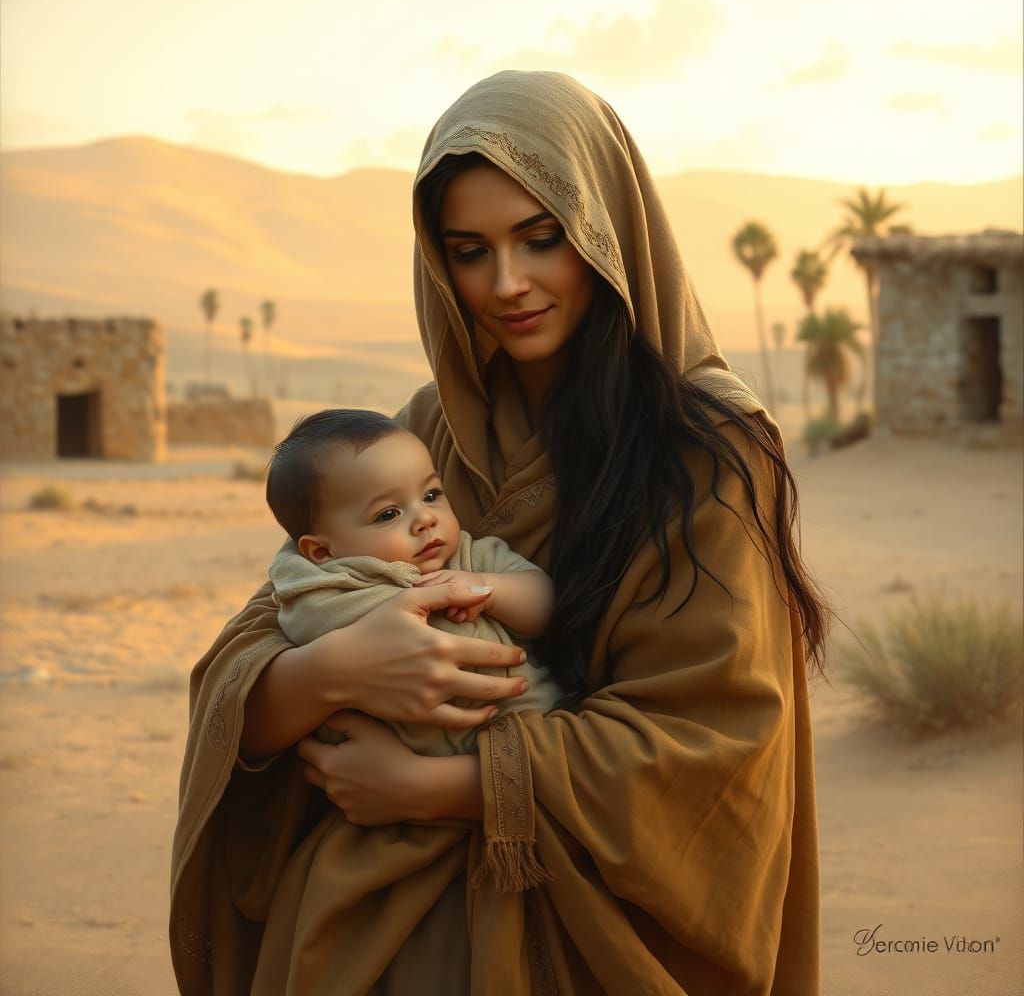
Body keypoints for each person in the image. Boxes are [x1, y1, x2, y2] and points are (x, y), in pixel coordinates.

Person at [171, 69, 829, 995]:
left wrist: (436, 787)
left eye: (541, 239)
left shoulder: (705, 452)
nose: (507, 284)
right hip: (374, 917)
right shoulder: (428, 431)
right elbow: (259, 645)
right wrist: (338, 672)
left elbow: (710, 743)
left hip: (588, 926)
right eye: (470, 250)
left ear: (606, 232)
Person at [264, 407, 561, 755]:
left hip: (528, 726)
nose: (424, 519)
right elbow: (309, 635)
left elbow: (544, 607)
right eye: (388, 514)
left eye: (431, 495)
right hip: (408, 752)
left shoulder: (469, 557)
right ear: (321, 551)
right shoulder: (324, 589)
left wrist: (489, 589)